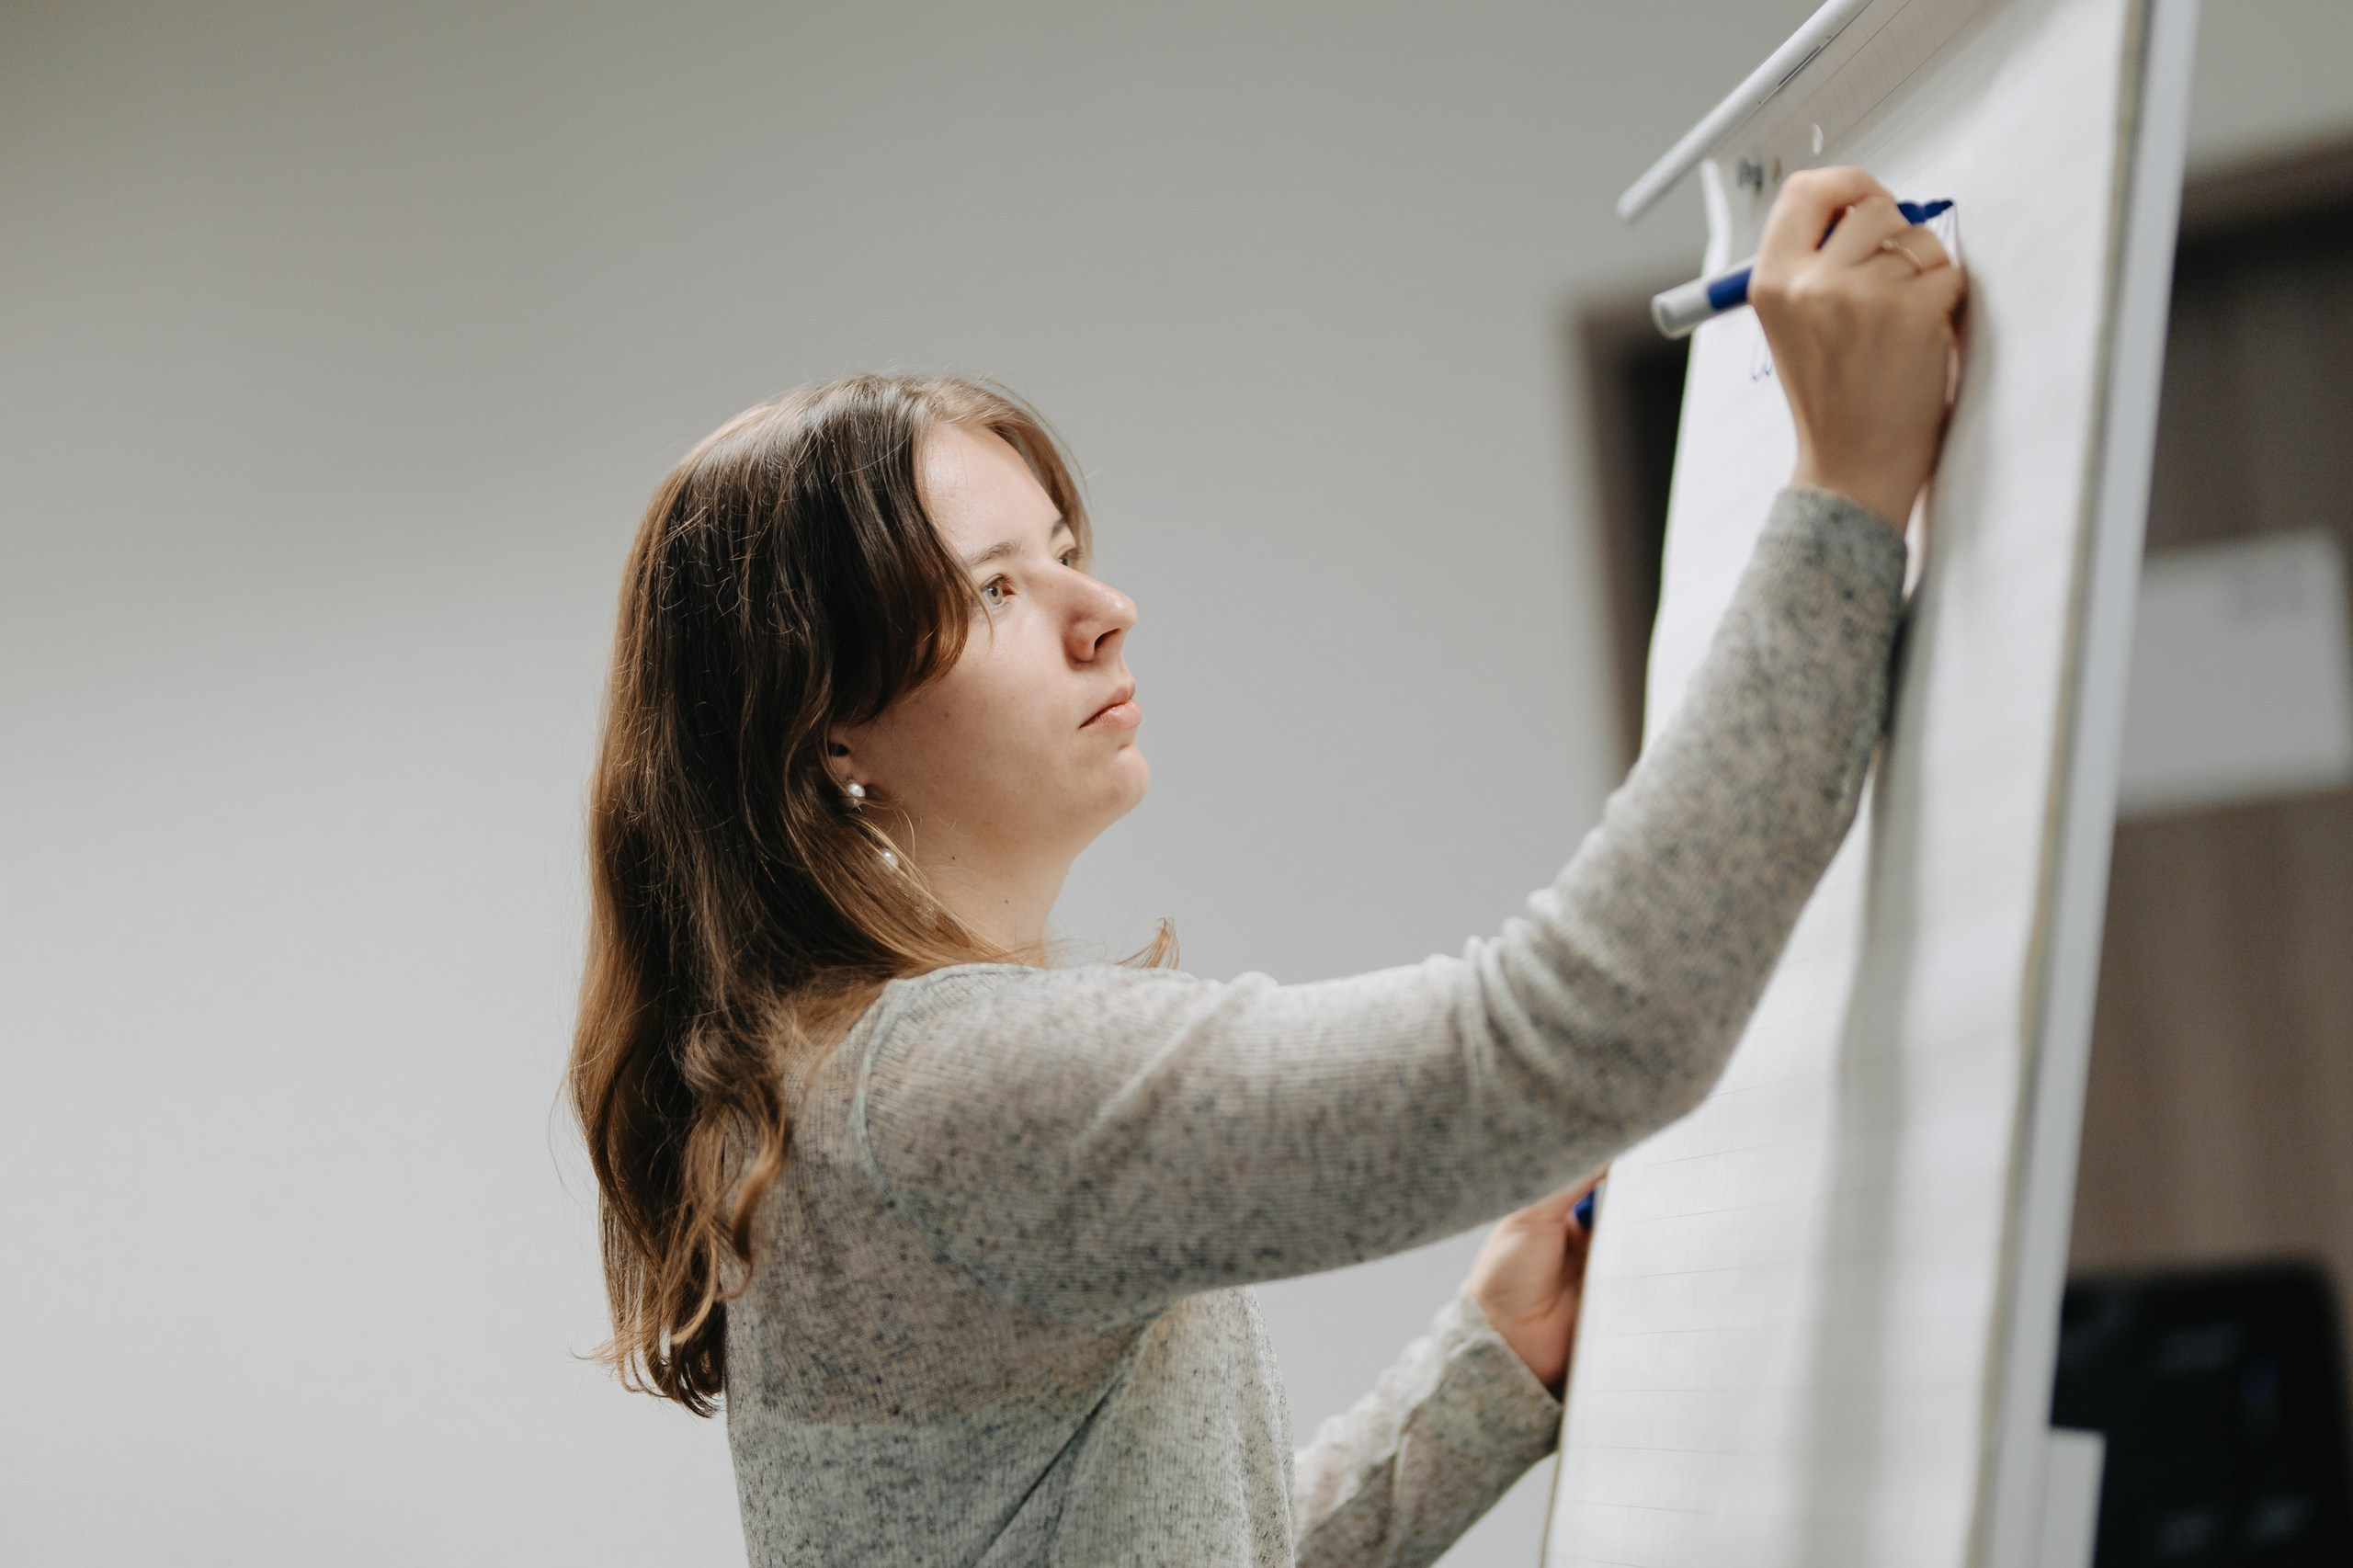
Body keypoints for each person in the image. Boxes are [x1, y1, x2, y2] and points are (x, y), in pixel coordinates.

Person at [568, 166, 1964, 1567]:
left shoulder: (862, 1091)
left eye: (1065, 554)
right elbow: (1578, 1036)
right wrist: (1846, 491)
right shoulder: (942, 1088)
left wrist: (1488, 1367)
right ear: (829, 734)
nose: (1103, 612)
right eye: (997, 589)